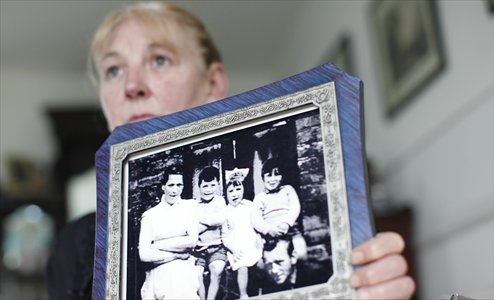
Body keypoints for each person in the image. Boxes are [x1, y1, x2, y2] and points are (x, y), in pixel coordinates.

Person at [47, 2, 415, 300]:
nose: (131, 85)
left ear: (213, 83)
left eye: (159, 59)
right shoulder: (74, 248)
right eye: (113, 70)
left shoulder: (337, 210)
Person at [137, 167, 199, 299]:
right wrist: (177, 255)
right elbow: (144, 254)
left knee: (180, 283)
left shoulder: (190, 207)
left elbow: (192, 241)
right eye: (171, 185)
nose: (175, 190)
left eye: (179, 185)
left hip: (184, 267)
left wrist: (157, 245)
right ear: (163, 187)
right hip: (159, 269)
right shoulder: (150, 216)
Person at [251, 158, 307, 261]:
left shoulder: (288, 190)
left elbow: (295, 208)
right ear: (263, 178)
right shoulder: (260, 197)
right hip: (269, 234)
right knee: (261, 259)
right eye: (268, 175)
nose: (272, 179)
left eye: (276, 174)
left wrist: (286, 223)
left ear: (282, 177)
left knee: (301, 254)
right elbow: (255, 218)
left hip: (290, 230)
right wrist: (268, 229)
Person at [222, 168, 262, 299]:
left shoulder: (249, 206)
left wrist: (258, 236)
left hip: (251, 240)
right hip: (237, 246)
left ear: (243, 190)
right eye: (231, 191)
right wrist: (232, 249)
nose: (235, 194)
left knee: (260, 262)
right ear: (226, 194)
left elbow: (256, 224)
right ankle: (243, 294)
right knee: (243, 266)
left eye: (238, 190)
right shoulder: (225, 212)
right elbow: (225, 236)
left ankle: (262, 291)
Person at [195, 166, 228, 300]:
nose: (208, 190)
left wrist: (201, 221)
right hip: (199, 250)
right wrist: (211, 223)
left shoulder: (219, 201)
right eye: (205, 186)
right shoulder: (195, 204)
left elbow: (220, 219)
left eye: (212, 185)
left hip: (217, 248)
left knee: (216, 271)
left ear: (218, 185)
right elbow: (193, 228)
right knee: (196, 275)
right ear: (199, 187)